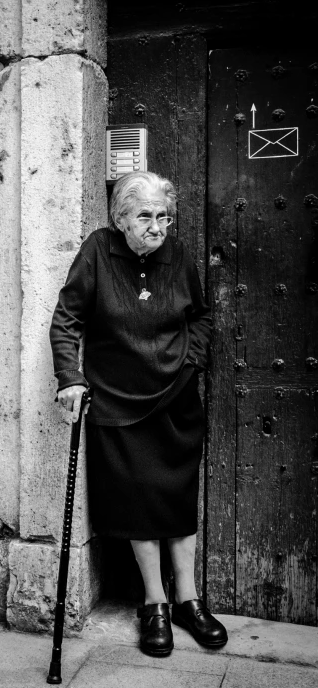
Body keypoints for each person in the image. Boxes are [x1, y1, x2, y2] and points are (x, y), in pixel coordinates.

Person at [49, 171, 228, 657]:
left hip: (175, 396)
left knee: (176, 495)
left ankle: (188, 601)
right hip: (118, 400)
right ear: (121, 218)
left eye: (164, 216)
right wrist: (71, 378)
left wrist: (191, 362)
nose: (157, 226)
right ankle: (155, 603)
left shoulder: (178, 254)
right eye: (145, 216)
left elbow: (201, 316)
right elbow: (67, 319)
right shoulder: (98, 252)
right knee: (138, 502)